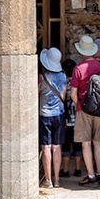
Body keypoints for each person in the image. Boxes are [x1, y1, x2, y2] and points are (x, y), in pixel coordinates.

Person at [69, 35, 100, 185]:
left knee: (85, 143)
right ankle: (99, 172)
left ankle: (90, 175)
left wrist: (82, 106)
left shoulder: (78, 69)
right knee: (98, 142)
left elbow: (73, 93)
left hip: (83, 109)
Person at [37, 47, 68, 189]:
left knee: (46, 147)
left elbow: (35, 93)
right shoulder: (63, 77)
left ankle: (47, 179)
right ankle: (57, 179)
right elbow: (64, 95)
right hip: (59, 114)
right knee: (57, 147)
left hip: (44, 115)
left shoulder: (41, 78)